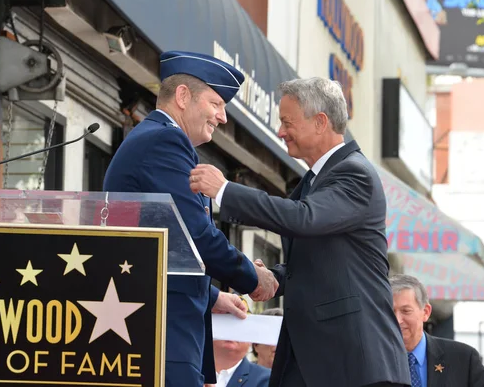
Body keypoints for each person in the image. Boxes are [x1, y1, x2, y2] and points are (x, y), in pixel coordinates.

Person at [189, 77, 410, 387]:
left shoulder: (354, 173)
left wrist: (224, 190)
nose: (280, 132)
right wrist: (274, 278)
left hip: (353, 363)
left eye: (287, 122)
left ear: (320, 122)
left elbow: (303, 219)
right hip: (315, 358)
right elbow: (320, 260)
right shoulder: (315, 180)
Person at [103, 50, 278, 387]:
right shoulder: (164, 141)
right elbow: (194, 233)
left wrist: (215, 297)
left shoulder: (158, 140)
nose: (222, 117)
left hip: (160, 328)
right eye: (216, 103)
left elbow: (165, 243)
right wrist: (251, 277)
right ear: (183, 97)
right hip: (160, 332)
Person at [390, 274, 484, 387]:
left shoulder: (464, 360)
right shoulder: (371, 363)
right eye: (391, 312)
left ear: (426, 312)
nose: (397, 320)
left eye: (406, 311)